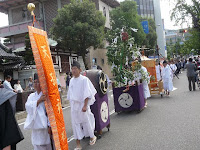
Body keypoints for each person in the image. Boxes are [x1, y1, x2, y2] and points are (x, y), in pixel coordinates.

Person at [67, 61, 97, 150]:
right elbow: (70, 94)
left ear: (80, 70)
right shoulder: (71, 80)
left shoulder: (84, 79)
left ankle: (92, 136)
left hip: (83, 104)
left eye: (75, 68)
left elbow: (87, 93)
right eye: (72, 69)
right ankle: (78, 144)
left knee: (86, 121)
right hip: (74, 106)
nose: (73, 70)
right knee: (75, 124)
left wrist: (85, 105)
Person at [24, 73, 52, 150]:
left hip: (45, 127)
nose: (36, 84)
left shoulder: (46, 96)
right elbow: (28, 107)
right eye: (34, 82)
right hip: (36, 127)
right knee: (37, 145)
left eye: (38, 82)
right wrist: (38, 101)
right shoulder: (31, 96)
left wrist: (50, 125)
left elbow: (50, 112)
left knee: (48, 145)